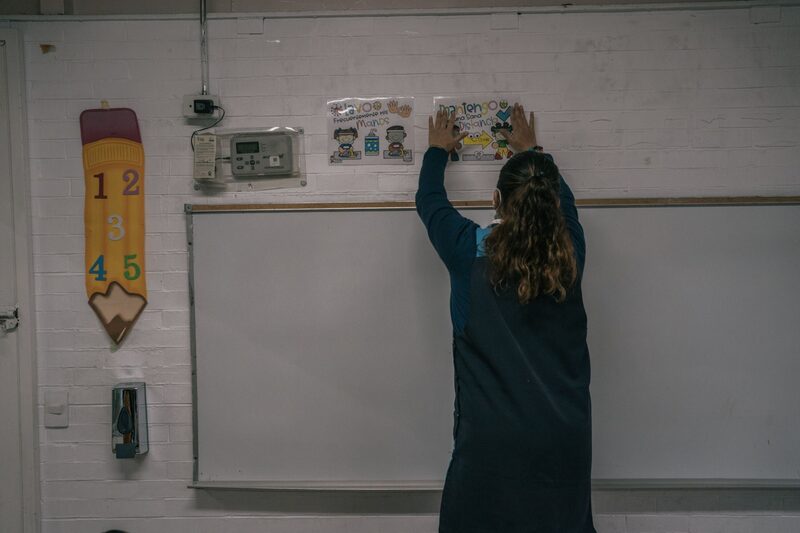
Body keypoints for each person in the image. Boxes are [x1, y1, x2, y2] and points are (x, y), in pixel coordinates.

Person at [416, 104, 596, 533]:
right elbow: (563, 203)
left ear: (496, 200)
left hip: (491, 444)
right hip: (564, 437)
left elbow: (429, 201)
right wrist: (532, 151)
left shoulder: (466, 251)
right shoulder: (570, 250)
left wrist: (437, 151)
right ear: (552, 203)